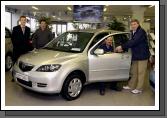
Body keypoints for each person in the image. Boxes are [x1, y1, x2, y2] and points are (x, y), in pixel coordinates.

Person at [115, 19, 150, 94]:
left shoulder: (141, 31)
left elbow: (134, 42)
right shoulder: (133, 32)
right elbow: (130, 43)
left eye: (134, 24)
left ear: (138, 24)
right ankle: (131, 85)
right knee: (134, 72)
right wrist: (124, 48)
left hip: (142, 56)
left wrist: (122, 47)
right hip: (136, 55)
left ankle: (139, 89)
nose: (133, 26)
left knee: (141, 73)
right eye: (132, 24)